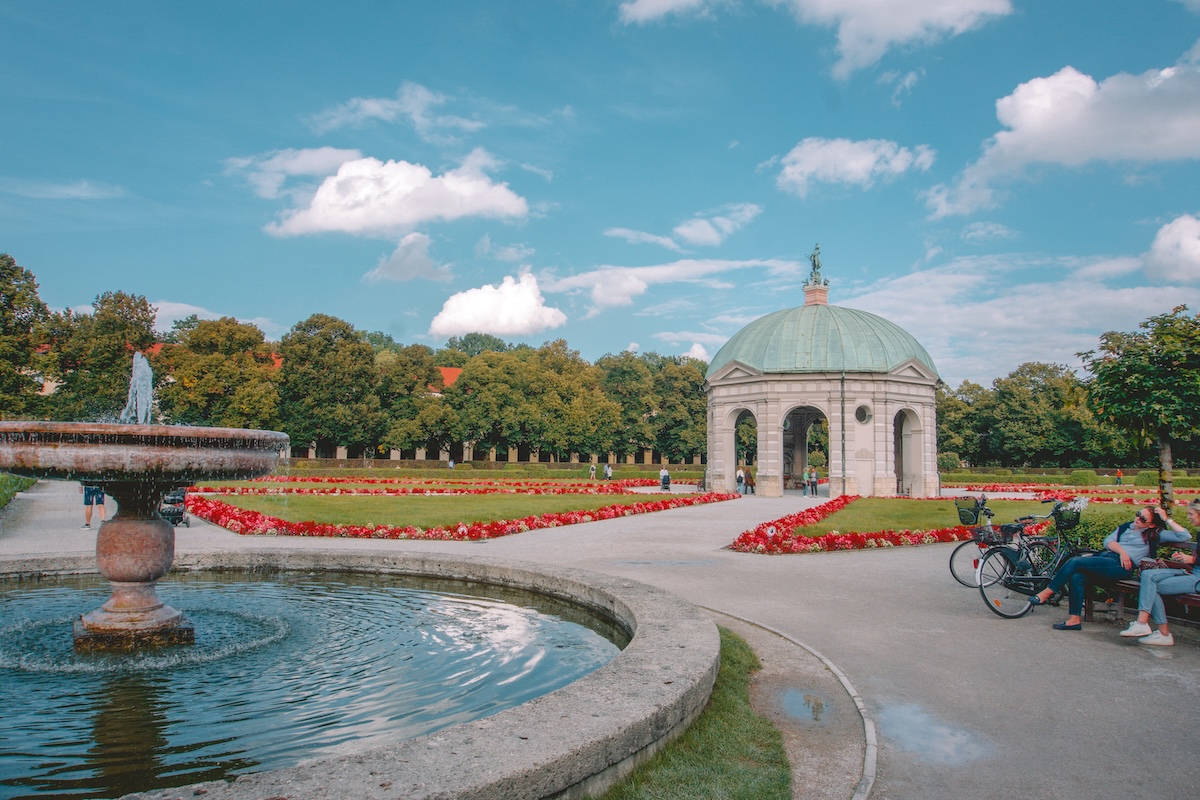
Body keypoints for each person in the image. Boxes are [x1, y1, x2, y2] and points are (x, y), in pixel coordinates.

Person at [1029, 505, 1190, 630]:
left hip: (1121, 567)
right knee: (1077, 577)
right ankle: (1074, 619)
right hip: (1109, 559)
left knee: (1076, 562)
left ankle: (1047, 593)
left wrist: (1166, 519)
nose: (1137, 519)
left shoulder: (1154, 534)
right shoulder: (1126, 527)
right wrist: (1122, 552)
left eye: (1142, 519)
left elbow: (1184, 536)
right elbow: (1108, 541)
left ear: (1151, 524)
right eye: (1138, 514)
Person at [1117, 498, 1200, 646]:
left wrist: (1192, 560)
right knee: (1148, 575)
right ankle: (1147, 626)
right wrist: (1166, 519)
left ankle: (1160, 632)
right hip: (1193, 574)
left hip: (1197, 579)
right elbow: (1186, 537)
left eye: (1191, 514)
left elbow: (1187, 542)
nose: (1189, 517)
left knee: (1151, 586)